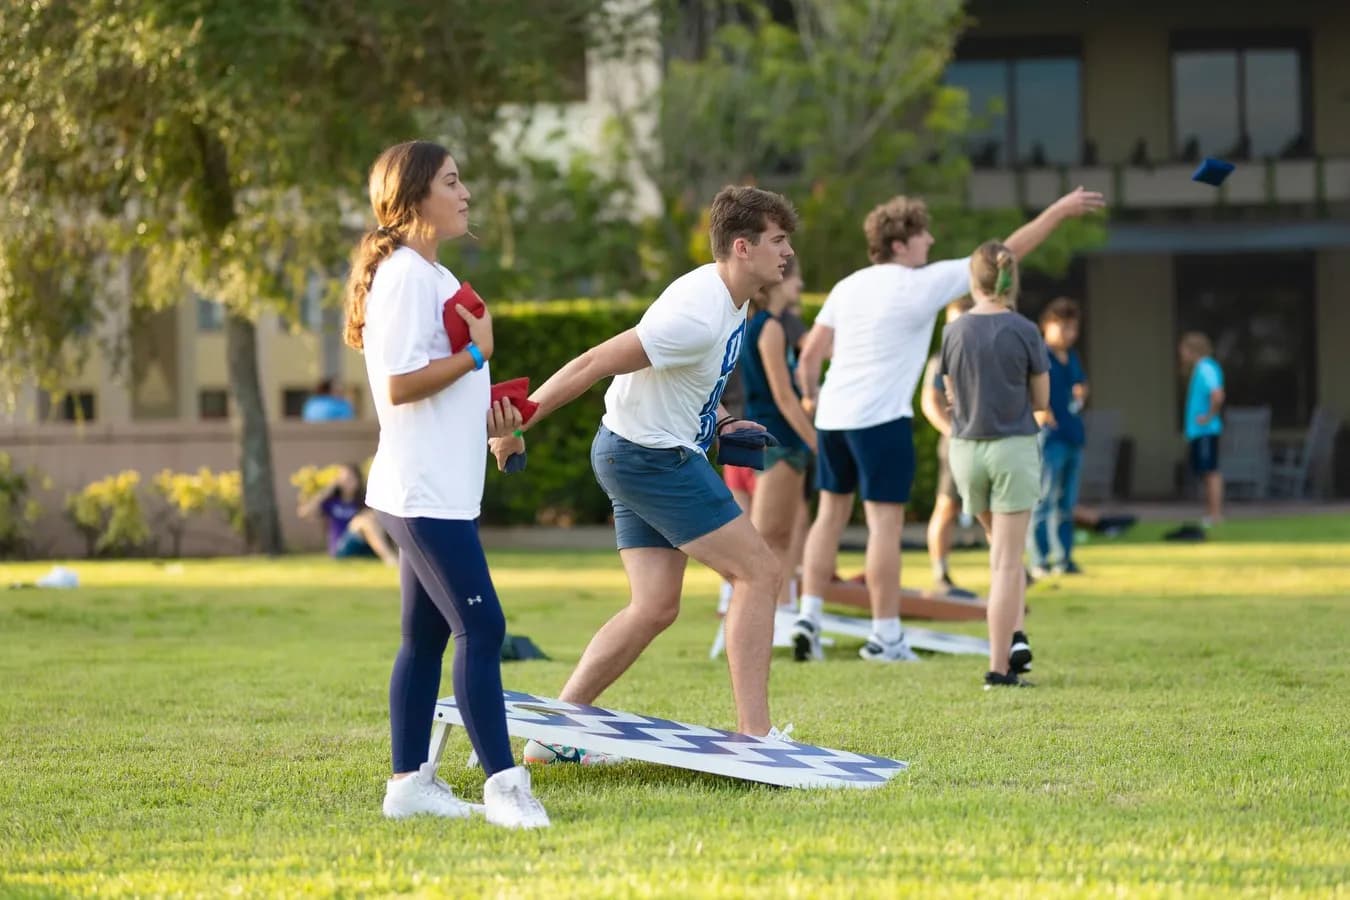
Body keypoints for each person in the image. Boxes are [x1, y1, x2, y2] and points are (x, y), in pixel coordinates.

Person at [492, 185, 799, 760]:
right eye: (778, 241)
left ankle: (552, 734)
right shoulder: (697, 316)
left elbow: (689, 383)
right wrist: (517, 425)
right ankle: (756, 739)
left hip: (632, 450)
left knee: (655, 606)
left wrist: (724, 422)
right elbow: (590, 363)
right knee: (760, 574)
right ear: (741, 246)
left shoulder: (735, 298)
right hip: (651, 459)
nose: (787, 253)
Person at [790, 187, 1104, 663]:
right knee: (883, 527)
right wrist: (1058, 212)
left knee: (828, 516)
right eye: (922, 235)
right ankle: (886, 635)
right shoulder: (923, 282)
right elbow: (1005, 254)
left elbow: (809, 356)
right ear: (900, 245)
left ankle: (807, 619)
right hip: (881, 420)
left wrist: (811, 397)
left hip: (834, 417)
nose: (931, 240)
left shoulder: (847, 286)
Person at [342, 140, 547, 828]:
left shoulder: (430, 275)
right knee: (482, 627)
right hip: (421, 494)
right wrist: (475, 354)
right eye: (453, 182)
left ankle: (409, 788)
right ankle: (506, 789)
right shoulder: (402, 275)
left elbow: (438, 385)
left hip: (440, 488)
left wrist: (495, 427)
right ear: (415, 196)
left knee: (425, 640)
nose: (465, 194)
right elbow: (399, 386)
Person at [939, 241, 1048, 689]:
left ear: (973, 280)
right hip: (1011, 449)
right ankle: (999, 668)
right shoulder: (1024, 329)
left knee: (998, 545)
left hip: (965, 451)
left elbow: (948, 393)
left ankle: (1017, 637)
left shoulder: (953, 331)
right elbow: (1041, 401)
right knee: (1006, 561)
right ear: (1010, 280)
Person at [740, 256, 816, 610]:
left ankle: (781, 610)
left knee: (779, 538)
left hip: (770, 438)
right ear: (781, 280)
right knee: (769, 540)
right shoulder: (769, 327)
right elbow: (783, 397)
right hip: (778, 441)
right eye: (797, 278)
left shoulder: (764, 324)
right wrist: (818, 442)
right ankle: (764, 613)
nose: (800, 286)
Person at [919, 296, 978, 598]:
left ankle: (1010, 570)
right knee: (947, 506)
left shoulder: (988, 352)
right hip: (957, 444)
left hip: (990, 442)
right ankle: (941, 573)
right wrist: (952, 430)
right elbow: (930, 402)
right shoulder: (942, 358)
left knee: (997, 508)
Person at [1030, 297, 1089, 576]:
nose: (1069, 334)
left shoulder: (1072, 356)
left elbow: (1080, 384)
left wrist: (1081, 392)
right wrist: (1039, 410)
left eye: (1073, 328)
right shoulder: (1039, 355)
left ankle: (1064, 558)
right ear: (1047, 326)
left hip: (1073, 435)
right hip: (1048, 438)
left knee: (1067, 503)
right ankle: (1040, 560)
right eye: (1063, 327)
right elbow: (1025, 388)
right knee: (1043, 499)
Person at [296, 462, 398, 566]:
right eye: (343, 478)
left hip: (364, 545)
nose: (346, 482)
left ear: (358, 480)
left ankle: (392, 555)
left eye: (350, 478)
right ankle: (390, 559)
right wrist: (327, 490)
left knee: (371, 516)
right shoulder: (332, 502)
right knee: (363, 521)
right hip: (342, 547)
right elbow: (304, 513)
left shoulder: (364, 502)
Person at [1179, 331, 1226, 527]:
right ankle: (1210, 513)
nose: (1181, 355)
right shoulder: (1200, 369)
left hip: (1206, 431)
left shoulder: (1206, 368)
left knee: (1210, 472)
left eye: (1182, 351)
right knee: (1205, 472)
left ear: (1192, 350)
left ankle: (1215, 515)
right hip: (1199, 432)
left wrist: (1208, 417)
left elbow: (1217, 395)